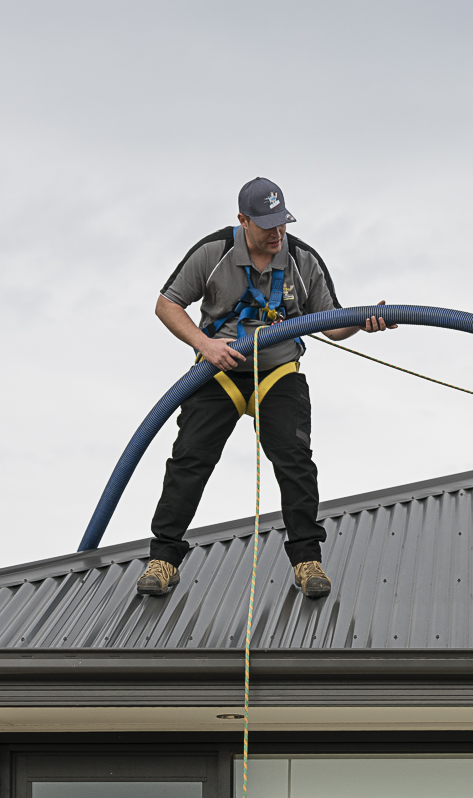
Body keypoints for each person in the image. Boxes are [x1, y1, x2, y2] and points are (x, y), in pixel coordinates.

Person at [137, 177, 393, 599]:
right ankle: (163, 559)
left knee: (294, 459)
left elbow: (331, 323)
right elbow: (167, 304)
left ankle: (307, 560)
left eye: (282, 224)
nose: (277, 234)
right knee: (189, 459)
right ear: (243, 220)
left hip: (277, 371)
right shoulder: (214, 252)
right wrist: (204, 344)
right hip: (218, 371)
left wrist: (364, 322)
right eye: (267, 225)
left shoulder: (301, 258)